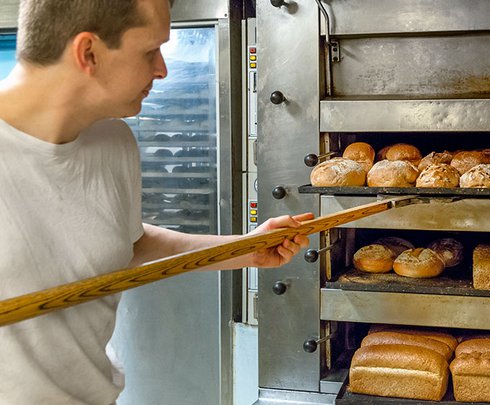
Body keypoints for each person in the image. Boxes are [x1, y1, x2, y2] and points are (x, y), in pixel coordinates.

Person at [0, 0, 311, 403]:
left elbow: (128, 245)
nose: (162, 69)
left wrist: (246, 249)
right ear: (88, 53)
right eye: (150, 51)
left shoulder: (113, 142)